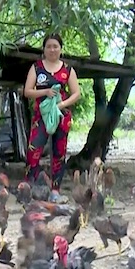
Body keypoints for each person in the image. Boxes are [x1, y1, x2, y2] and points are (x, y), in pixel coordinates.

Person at [23, 33, 81, 193]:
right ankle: (29, 186)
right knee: (33, 150)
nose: (52, 49)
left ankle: (55, 189)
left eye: (55, 46)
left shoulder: (68, 69)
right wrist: (45, 92)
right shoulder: (36, 68)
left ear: (61, 49)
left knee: (59, 152)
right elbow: (27, 91)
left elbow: (76, 93)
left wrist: (61, 105)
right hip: (41, 115)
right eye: (48, 46)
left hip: (61, 115)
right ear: (44, 49)